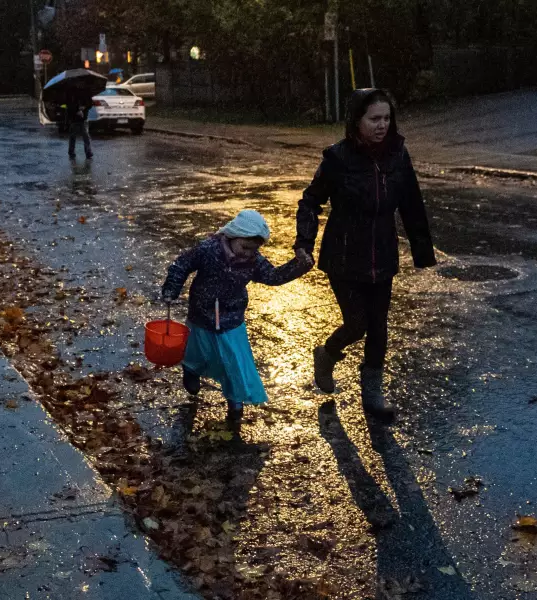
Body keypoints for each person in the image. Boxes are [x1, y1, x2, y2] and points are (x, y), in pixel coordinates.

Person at [294, 88, 437, 422]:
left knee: (379, 327)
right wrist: (304, 243)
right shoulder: (337, 159)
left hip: (383, 254)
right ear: (356, 121)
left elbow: (412, 205)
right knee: (357, 323)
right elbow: (309, 201)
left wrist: (422, 254)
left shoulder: (398, 155)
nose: (381, 125)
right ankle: (327, 354)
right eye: (374, 118)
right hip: (344, 256)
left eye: (387, 118)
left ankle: (372, 395)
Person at [162, 210, 314, 426]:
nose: (248, 254)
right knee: (199, 350)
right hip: (201, 313)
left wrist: (299, 264)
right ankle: (191, 370)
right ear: (232, 236)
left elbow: (273, 276)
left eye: (254, 250)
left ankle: (235, 400)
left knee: (234, 360)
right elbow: (182, 265)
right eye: (245, 247)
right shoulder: (208, 249)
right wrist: (171, 290)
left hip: (232, 317)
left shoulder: (253, 260)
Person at [66, 96, 93, 160]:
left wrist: (84, 107)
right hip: (74, 119)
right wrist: (77, 110)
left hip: (83, 119)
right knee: (73, 136)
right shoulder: (71, 93)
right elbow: (68, 105)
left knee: (86, 136)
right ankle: (71, 152)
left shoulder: (86, 92)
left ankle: (88, 152)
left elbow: (90, 104)